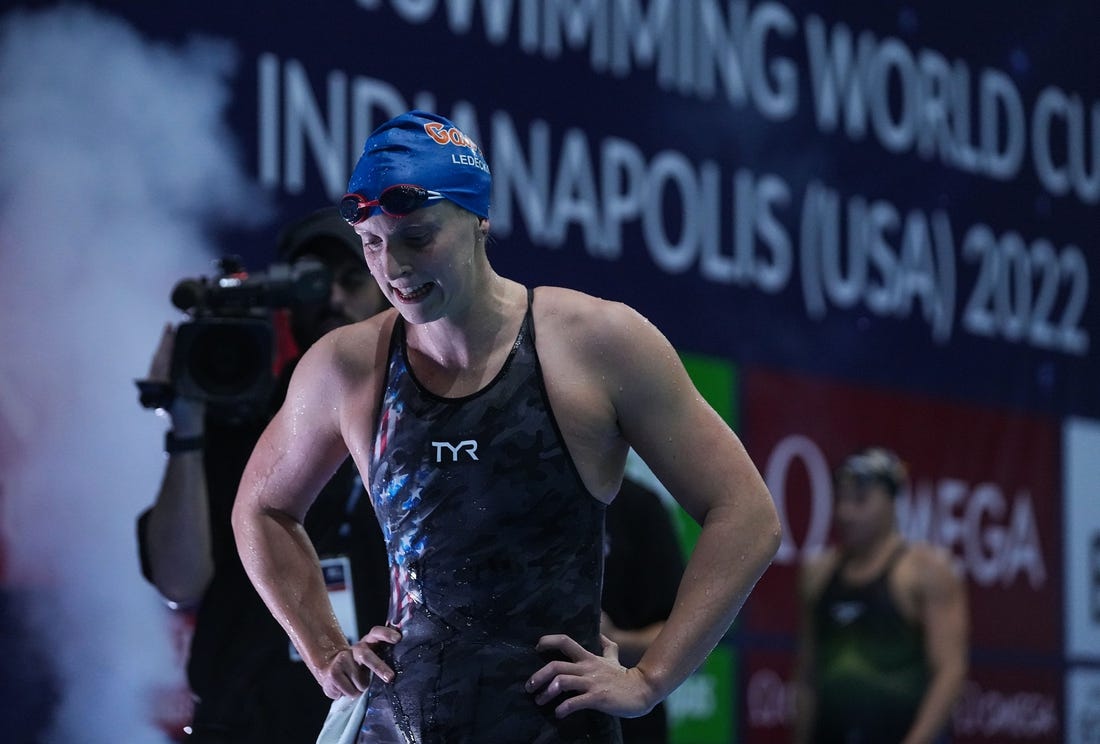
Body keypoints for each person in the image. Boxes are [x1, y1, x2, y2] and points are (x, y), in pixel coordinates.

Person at [231, 110, 781, 743]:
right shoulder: (347, 366)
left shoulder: (593, 343)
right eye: (374, 243)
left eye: (416, 236)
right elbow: (262, 509)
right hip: (398, 726)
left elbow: (746, 513)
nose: (394, 268)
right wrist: (326, 650)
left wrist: (650, 680)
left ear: (477, 221)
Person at [137, 207, 391, 743]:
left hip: (374, 721)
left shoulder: (414, 424)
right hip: (239, 720)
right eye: (312, 284)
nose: (333, 299)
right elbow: (179, 583)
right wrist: (186, 426)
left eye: (351, 280)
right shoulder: (243, 424)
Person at [792, 447, 969, 744]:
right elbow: (808, 675)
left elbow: (950, 672)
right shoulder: (817, 574)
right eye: (842, 499)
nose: (846, 512)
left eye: (860, 500)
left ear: (891, 501)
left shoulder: (926, 571)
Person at [602, 475, 686, 743]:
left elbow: (687, 640)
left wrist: (613, 640)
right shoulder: (512, 496)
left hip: (626, 725)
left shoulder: (639, 507)